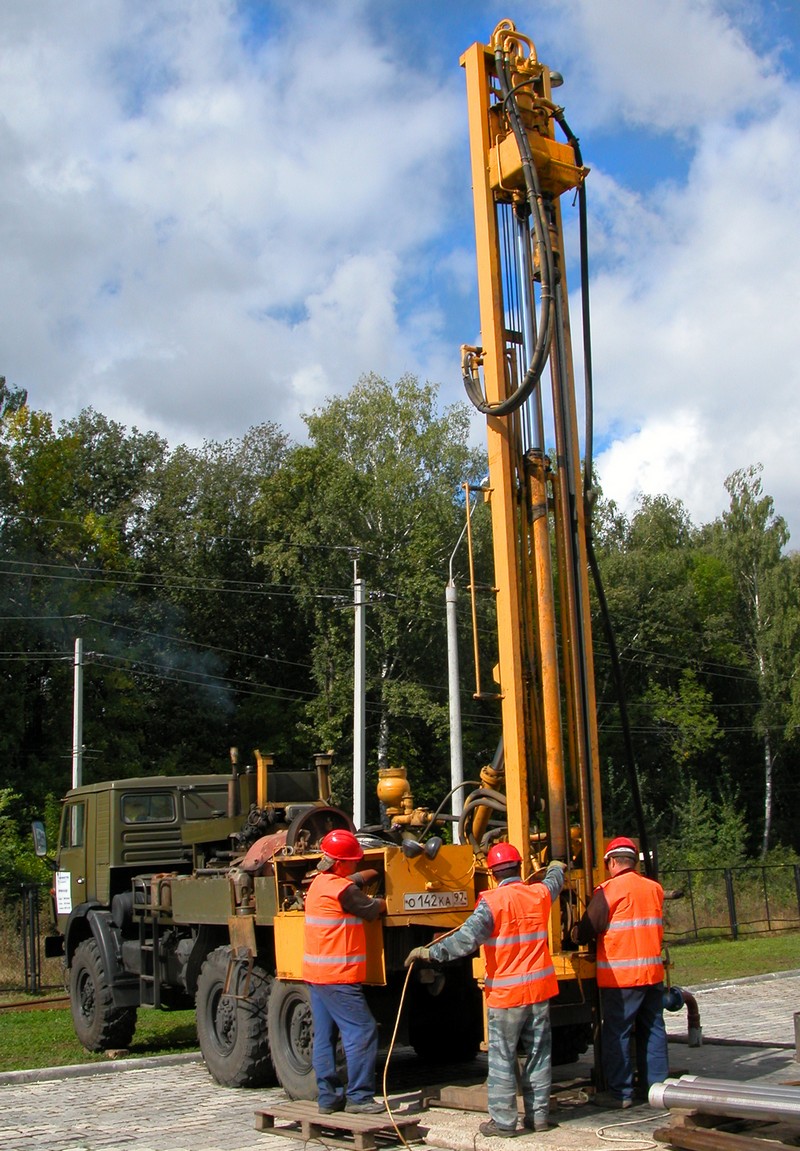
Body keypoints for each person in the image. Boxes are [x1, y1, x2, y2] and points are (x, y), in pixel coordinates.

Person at [405, 844, 566, 1139]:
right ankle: (539, 1117)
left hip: (507, 996)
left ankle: (504, 1123)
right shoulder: (538, 894)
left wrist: (430, 953)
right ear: (520, 868)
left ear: (492, 874)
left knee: (502, 1058)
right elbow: (554, 882)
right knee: (539, 1055)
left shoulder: (492, 902)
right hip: (539, 991)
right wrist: (556, 866)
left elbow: (465, 940)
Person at [574, 835, 669, 1109]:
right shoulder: (654, 888)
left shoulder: (609, 891)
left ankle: (620, 1093)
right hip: (652, 974)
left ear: (612, 862)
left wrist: (574, 934)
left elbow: (588, 928)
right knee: (654, 1030)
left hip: (622, 978)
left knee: (617, 1033)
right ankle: (657, 1090)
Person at [303, 828, 387, 1115]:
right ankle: (360, 1097)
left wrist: (371, 873)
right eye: (353, 861)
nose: (356, 864)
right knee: (362, 1030)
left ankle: (328, 1098)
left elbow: (350, 882)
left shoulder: (320, 883)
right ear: (339, 863)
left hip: (317, 976)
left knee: (324, 1037)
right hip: (338, 976)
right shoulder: (344, 892)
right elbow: (372, 908)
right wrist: (392, 900)